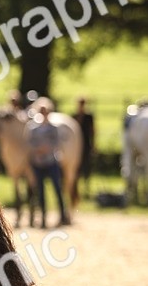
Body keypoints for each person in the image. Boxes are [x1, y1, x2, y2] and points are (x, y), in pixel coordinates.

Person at [27, 98, 69, 229]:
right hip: (38, 162)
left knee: (57, 189)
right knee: (40, 191)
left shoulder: (53, 128)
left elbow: (57, 143)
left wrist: (47, 148)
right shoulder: (33, 128)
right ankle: (43, 217)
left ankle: (63, 215)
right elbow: (29, 143)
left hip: (51, 161)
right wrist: (38, 149)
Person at [72, 96, 96, 202]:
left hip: (86, 145)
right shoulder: (74, 116)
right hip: (76, 145)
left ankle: (86, 188)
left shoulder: (89, 116)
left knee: (87, 166)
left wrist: (93, 145)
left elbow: (92, 131)